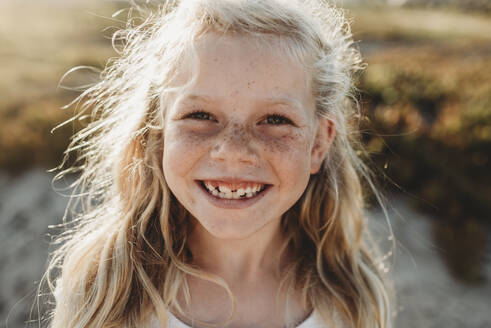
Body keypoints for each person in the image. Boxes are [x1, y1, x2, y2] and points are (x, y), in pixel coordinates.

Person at [44, 0, 393, 327]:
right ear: (159, 131)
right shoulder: (106, 294)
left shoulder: (352, 301)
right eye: (200, 115)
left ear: (318, 143)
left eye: (274, 119)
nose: (232, 150)